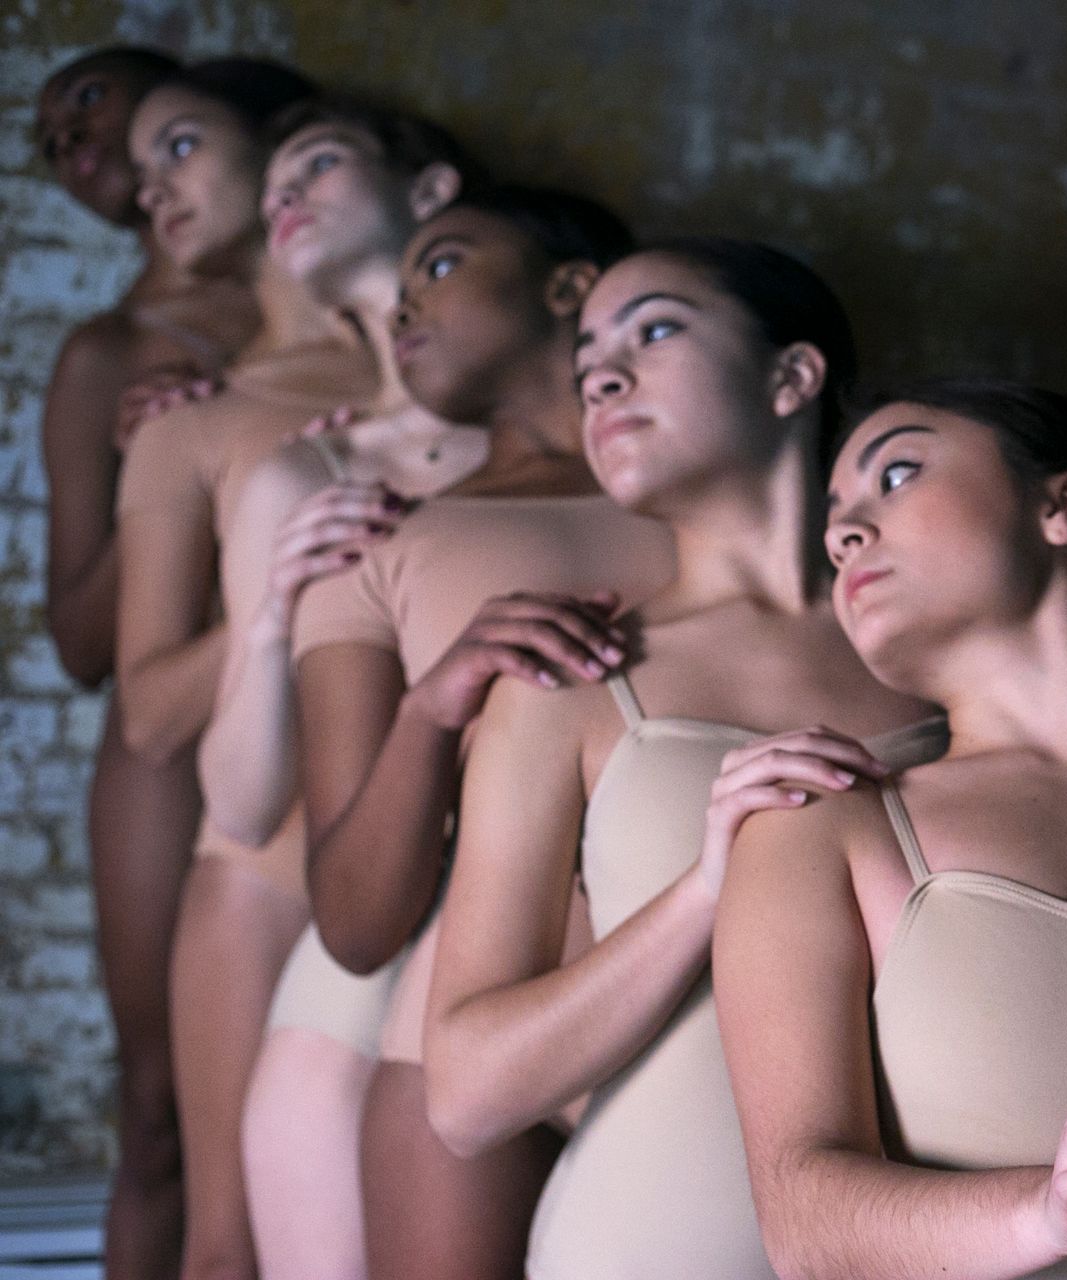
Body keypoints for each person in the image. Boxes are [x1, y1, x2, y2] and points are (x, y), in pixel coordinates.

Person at [422, 240, 942, 1279]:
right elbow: (466, 1095)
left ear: (792, 375)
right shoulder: (569, 679)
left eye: (654, 330)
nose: (604, 376)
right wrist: (709, 885)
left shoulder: (948, 658)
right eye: (587, 365)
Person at [714, 379, 1067, 1278]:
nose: (842, 534)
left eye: (898, 472)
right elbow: (804, 1226)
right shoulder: (821, 825)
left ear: (1065, 503)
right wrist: (1058, 1209)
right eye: (834, 520)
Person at [289, 187, 670, 1279]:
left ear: (566, 286)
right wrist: (432, 705)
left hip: (722, 1011)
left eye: (441, 266)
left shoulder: (742, 509)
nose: (404, 308)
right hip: (478, 1032)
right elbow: (358, 921)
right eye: (395, 292)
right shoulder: (381, 540)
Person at [177, 95, 482, 1279]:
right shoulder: (307, 464)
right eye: (274, 179)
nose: (283, 196)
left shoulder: (606, 437)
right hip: (320, 890)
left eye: (320, 163)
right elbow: (244, 807)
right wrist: (265, 623)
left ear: (431, 192)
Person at [114, 58, 387, 1280]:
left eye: (178, 147)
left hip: (423, 855)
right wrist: (279, 596)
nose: (145, 189)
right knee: (230, 1248)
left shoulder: (485, 389)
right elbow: (149, 710)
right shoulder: (189, 421)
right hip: (265, 859)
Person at [32, 45, 260, 1280]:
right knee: (162, 1107)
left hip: (334, 706)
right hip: (166, 742)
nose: (72, 138)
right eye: (49, 136)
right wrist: (161, 469)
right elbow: (73, 643)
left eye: (91, 100)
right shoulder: (107, 355)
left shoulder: (356, 315)